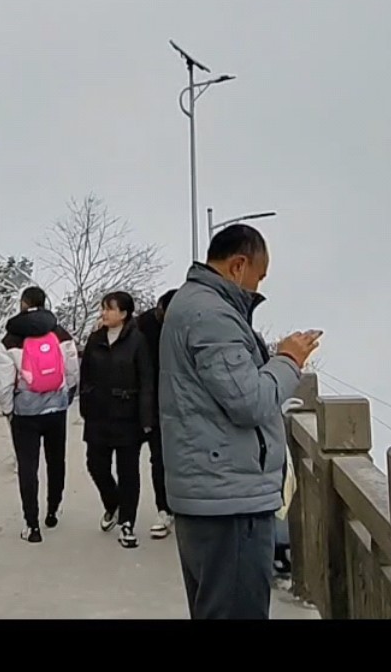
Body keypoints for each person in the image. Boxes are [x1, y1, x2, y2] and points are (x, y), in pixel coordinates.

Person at [159, 224, 320, 619]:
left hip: (212, 488)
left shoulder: (194, 304)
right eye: (258, 277)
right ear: (238, 265)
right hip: (229, 502)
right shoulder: (211, 316)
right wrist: (288, 360)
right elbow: (249, 402)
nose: (257, 287)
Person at [0, 285, 79, 543]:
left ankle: (32, 525)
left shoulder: (10, 339)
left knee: (28, 466)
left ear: (22, 303)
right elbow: (73, 369)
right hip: (56, 407)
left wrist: (9, 409)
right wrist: (68, 395)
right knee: (56, 460)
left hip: (25, 411)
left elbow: (3, 383)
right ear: (44, 303)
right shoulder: (60, 333)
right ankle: (53, 509)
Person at [79, 290, 156, 549]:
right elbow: (85, 375)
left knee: (128, 472)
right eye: (103, 307)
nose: (104, 312)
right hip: (99, 416)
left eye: (110, 308)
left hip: (127, 417)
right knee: (95, 465)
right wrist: (86, 404)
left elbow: (147, 381)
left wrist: (146, 418)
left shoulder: (137, 341)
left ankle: (127, 523)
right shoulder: (95, 339)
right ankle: (112, 503)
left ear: (123, 314)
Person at [134, 288, 177, 538]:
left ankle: (185, 507)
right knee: (158, 458)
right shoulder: (141, 327)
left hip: (184, 403)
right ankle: (164, 510)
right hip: (153, 402)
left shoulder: (189, 324)